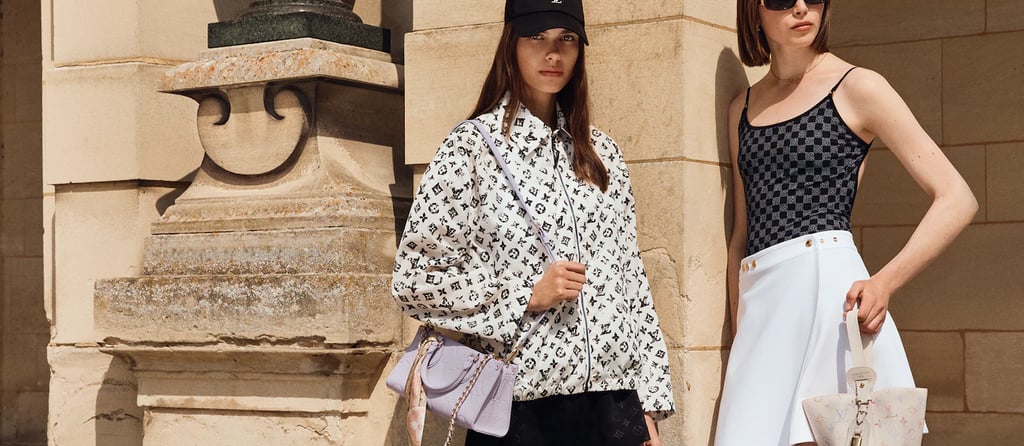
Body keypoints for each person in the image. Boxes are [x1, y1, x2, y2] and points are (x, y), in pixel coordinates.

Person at [391, 1, 675, 445]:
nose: (553, 53)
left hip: (614, 406)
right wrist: (525, 295)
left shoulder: (602, 154)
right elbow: (414, 281)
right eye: (536, 37)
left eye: (567, 39)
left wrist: (649, 409)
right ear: (512, 44)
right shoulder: (471, 149)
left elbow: (631, 283)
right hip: (521, 407)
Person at [715, 0, 977, 445]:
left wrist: (885, 282)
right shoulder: (741, 107)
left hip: (827, 297)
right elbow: (742, 236)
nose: (801, 7)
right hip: (762, 308)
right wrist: (743, 335)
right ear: (753, 11)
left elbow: (957, 197)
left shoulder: (857, 86)